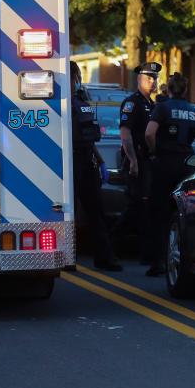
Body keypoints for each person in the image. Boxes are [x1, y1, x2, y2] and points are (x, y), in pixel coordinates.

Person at [144, 72, 195, 277]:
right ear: (185, 90)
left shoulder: (162, 108)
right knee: (181, 213)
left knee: (158, 213)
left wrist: (153, 151)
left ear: (169, 89)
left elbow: (149, 133)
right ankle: (184, 260)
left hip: (163, 164)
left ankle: (158, 262)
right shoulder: (194, 112)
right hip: (186, 166)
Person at [70, 62, 121, 271]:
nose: (77, 81)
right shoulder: (61, 103)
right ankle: (68, 257)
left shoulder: (81, 100)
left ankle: (104, 257)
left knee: (95, 211)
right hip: (70, 161)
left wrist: (100, 161)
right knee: (70, 214)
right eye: (75, 76)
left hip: (85, 158)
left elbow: (88, 138)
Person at [116, 61, 161, 264]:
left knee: (143, 206)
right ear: (139, 79)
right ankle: (111, 244)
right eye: (149, 78)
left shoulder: (151, 104)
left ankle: (146, 253)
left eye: (155, 78)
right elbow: (125, 134)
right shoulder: (132, 103)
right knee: (135, 205)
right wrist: (133, 160)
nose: (153, 81)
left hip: (146, 161)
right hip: (135, 161)